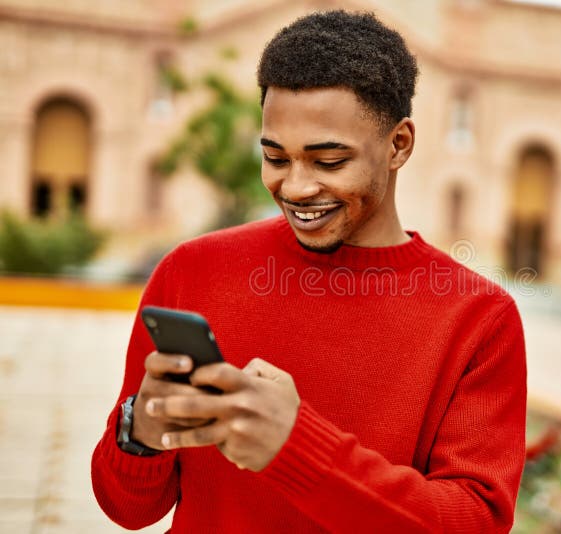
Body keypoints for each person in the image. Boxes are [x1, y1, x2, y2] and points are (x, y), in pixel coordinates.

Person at [92, 10, 527, 533]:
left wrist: (298, 450)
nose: (296, 188)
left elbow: (475, 522)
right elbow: (127, 508)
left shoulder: (479, 318)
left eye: (328, 161)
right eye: (276, 158)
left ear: (399, 145)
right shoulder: (192, 272)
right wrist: (140, 431)